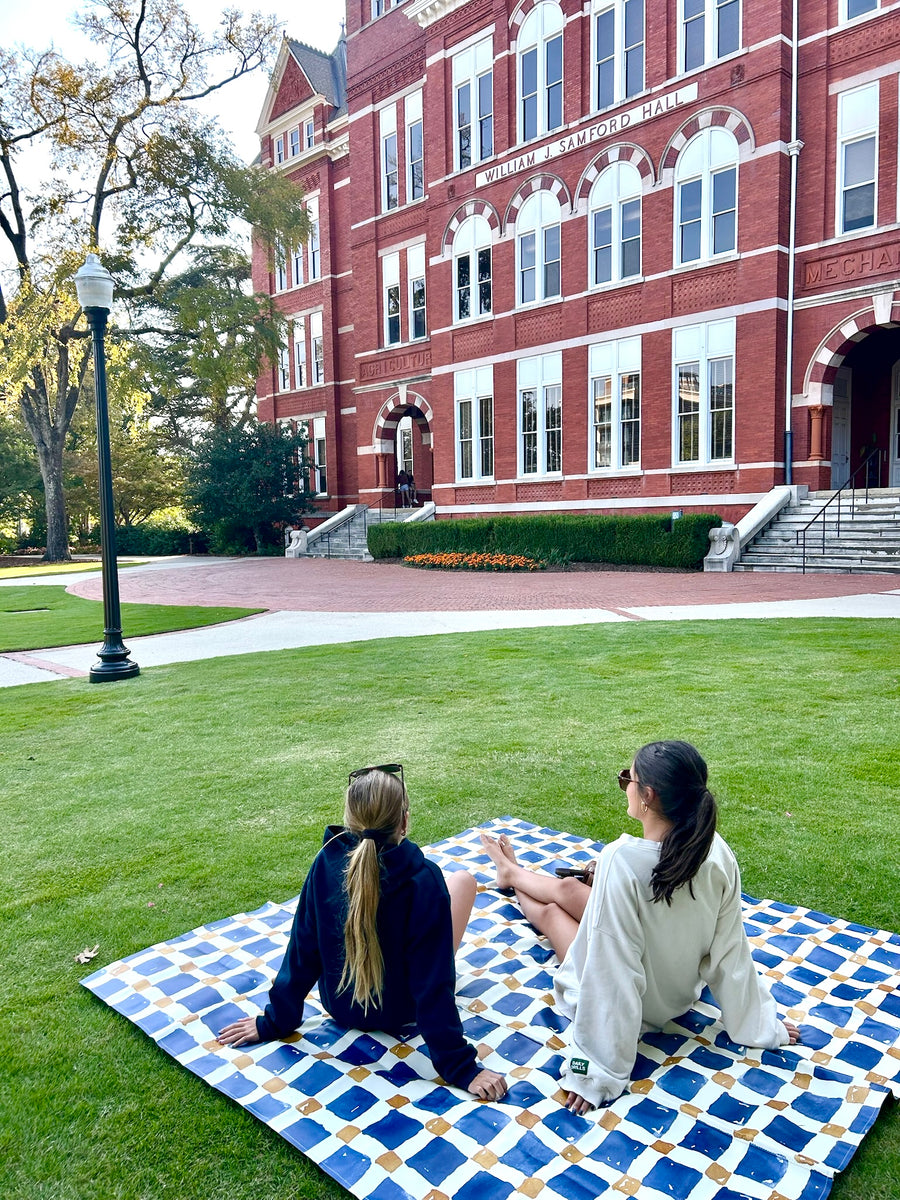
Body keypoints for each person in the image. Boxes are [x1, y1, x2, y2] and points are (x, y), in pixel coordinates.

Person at [480, 741, 800, 1114]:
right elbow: (731, 951)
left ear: (647, 795)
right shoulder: (715, 851)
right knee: (569, 891)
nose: (625, 787)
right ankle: (513, 873)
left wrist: (594, 1071)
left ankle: (511, 875)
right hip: (676, 993)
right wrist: (758, 1023)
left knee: (553, 914)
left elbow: (611, 970)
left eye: (626, 779)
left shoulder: (622, 859)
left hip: (642, 1005)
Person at [219, 764, 507, 1101]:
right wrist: (462, 1067)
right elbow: (433, 986)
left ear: (350, 819)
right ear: (404, 821)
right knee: (462, 882)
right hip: (402, 1012)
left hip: (340, 1007)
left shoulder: (326, 861)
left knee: (447, 889)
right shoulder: (423, 880)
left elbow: (302, 950)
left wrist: (275, 1021)